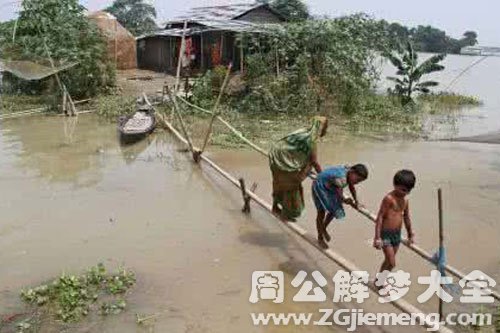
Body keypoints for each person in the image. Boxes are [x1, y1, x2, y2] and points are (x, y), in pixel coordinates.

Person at [269, 116, 328, 221]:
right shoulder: (312, 140)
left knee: (278, 181)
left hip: (275, 154)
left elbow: (292, 146)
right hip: (282, 159)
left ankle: (275, 207)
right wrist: (323, 177)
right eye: (325, 128)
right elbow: (314, 161)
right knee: (292, 186)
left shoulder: (303, 131)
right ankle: (286, 214)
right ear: (322, 129)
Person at [373, 170, 416, 283]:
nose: (404, 193)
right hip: (386, 235)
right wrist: (377, 238)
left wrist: (410, 233)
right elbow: (380, 217)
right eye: (402, 189)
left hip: (396, 235)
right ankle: (380, 281)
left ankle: (379, 281)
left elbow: (406, 217)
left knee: (387, 262)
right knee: (392, 263)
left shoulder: (405, 201)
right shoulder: (389, 199)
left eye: (407, 191)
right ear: (395, 185)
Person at [312, 164, 369, 249]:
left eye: (359, 181)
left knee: (335, 209)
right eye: (357, 180)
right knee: (321, 212)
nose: (357, 183)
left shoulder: (348, 173)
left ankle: (323, 228)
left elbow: (351, 187)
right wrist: (347, 201)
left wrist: (357, 201)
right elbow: (340, 196)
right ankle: (320, 237)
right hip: (320, 186)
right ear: (352, 172)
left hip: (331, 186)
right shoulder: (341, 178)